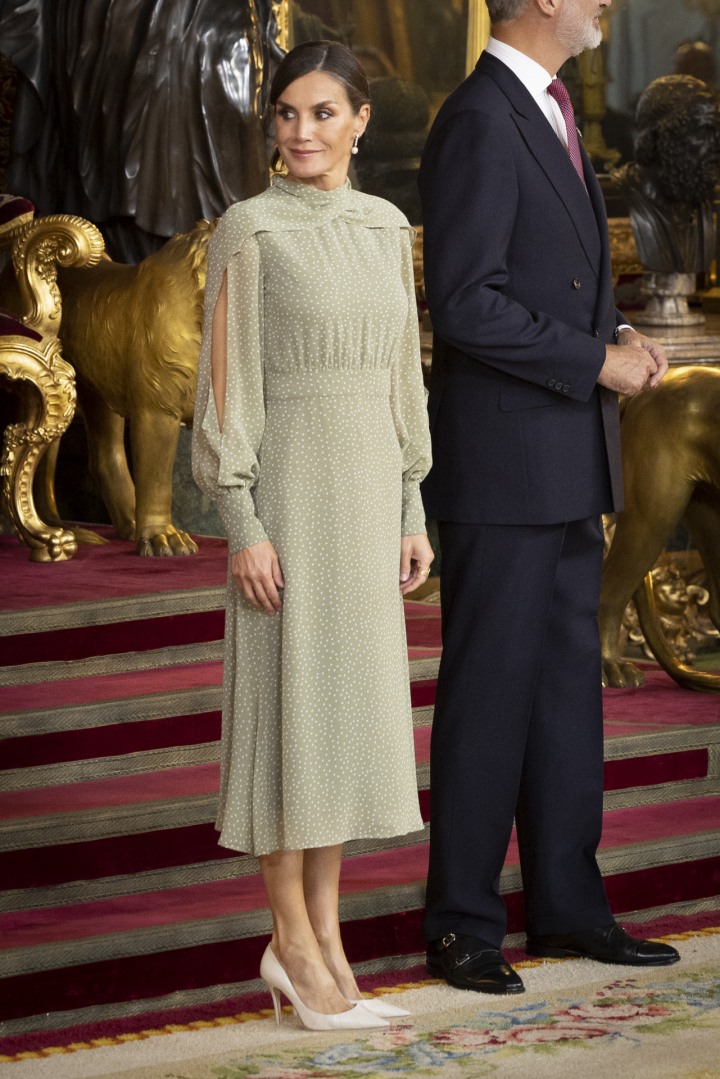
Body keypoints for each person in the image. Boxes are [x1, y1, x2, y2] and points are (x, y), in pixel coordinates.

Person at [419, 0, 679, 995]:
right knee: (490, 694)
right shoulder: (481, 116)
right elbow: (465, 300)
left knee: (566, 691)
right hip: (502, 460)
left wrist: (619, 339)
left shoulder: (551, 107)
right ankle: (461, 923)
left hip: (565, 451)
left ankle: (567, 906)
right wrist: (593, 361)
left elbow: (554, 279)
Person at [192, 40, 434, 1030]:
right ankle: (289, 941)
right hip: (288, 500)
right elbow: (223, 390)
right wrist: (242, 522)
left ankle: (329, 943)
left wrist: (412, 503)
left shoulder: (386, 227)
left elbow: (404, 374)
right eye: (287, 113)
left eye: (323, 112)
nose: (302, 132)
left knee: (336, 723)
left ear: (361, 120)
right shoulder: (249, 229)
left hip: (369, 498)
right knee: (286, 721)